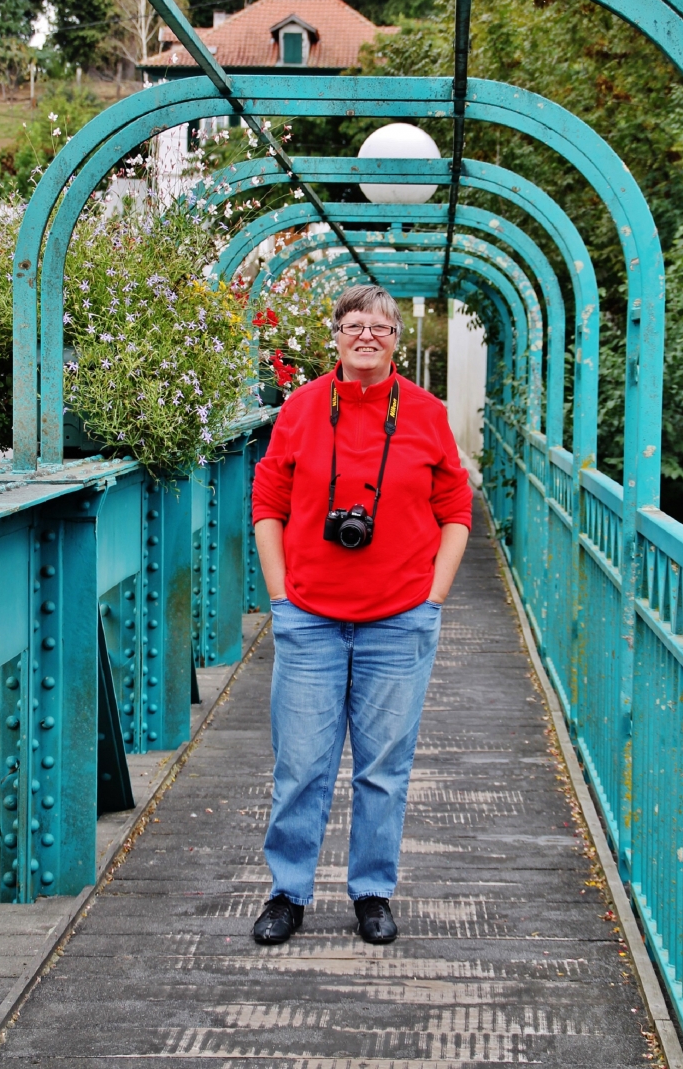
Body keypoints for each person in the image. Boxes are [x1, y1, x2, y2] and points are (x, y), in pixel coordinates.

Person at [251, 284, 472, 945]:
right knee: (300, 765)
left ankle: (372, 891)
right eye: (354, 324)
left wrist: (433, 597)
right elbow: (268, 501)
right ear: (336, 335)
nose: (367, 335)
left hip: (399, 620)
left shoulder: (427, 415)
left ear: (397, 341)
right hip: (310, 619)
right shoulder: (301, 408)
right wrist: (281, 595)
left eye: (381, 326)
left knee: (383, 767)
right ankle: (288, 892)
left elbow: (456, 512)